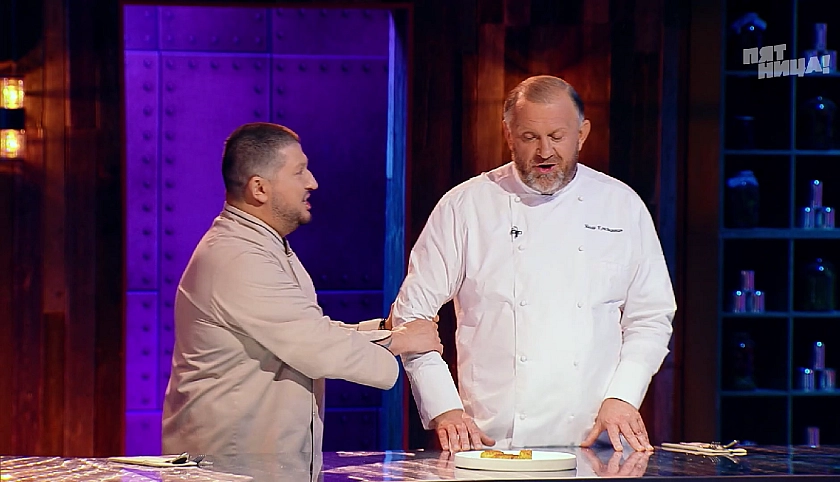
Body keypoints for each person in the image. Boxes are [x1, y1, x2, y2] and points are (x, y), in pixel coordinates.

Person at [390, 75, 676, 453]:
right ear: (508, 135)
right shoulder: (465, 207)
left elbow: (651, 316)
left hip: (594, 440)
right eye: (530, 137)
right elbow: (411, 317)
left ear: (582, 134)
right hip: (491, 442)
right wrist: (444, 408)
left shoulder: (621, 205)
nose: (545, 151)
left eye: (557, 136)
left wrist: (624, 396)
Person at [162, 122, 443, 457]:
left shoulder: (263, 246)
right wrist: (400, 341)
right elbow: (314, 345)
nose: (312, 182)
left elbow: (305, 329)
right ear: (259, 188)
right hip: (229, 466)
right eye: (299, 172)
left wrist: (384, 328)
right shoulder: (237, 256)